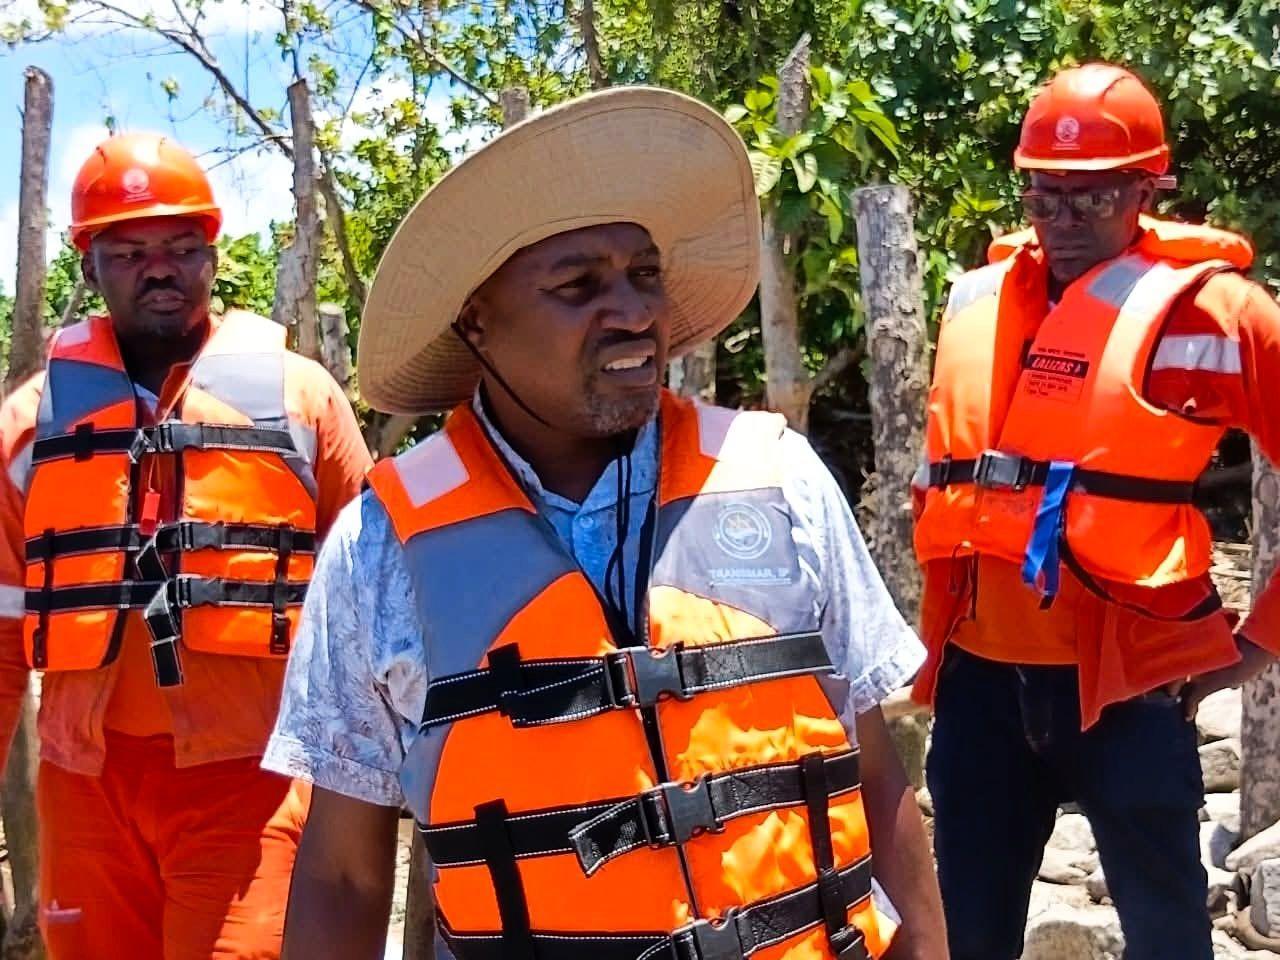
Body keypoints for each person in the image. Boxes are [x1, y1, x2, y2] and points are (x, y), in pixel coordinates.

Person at [265, 86, 948, 960]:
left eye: (644, 275)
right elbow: (344, 875)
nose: (634, 312)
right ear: (477, 322)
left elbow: (874, 778)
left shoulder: (780, 481)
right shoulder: (380, 550)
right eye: (579, 284)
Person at [913, 62, 1280, 960]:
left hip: (1130, 691)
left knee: (1168, 942)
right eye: (1044, 194)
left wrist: (1259, 643)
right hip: (978, 689)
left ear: (1150, 188)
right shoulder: (984, 298)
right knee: (968, 940)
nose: (1063, 220)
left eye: (1093, 196)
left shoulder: (1219, 313)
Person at [0, 132, 371, 958]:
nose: (159, 268)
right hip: (83, 788)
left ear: (213, 253)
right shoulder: (29, 425)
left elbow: (376, 604)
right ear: (89, 264)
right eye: (130, 252)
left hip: (251, 779)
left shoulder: (303, 402)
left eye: (180, 245)